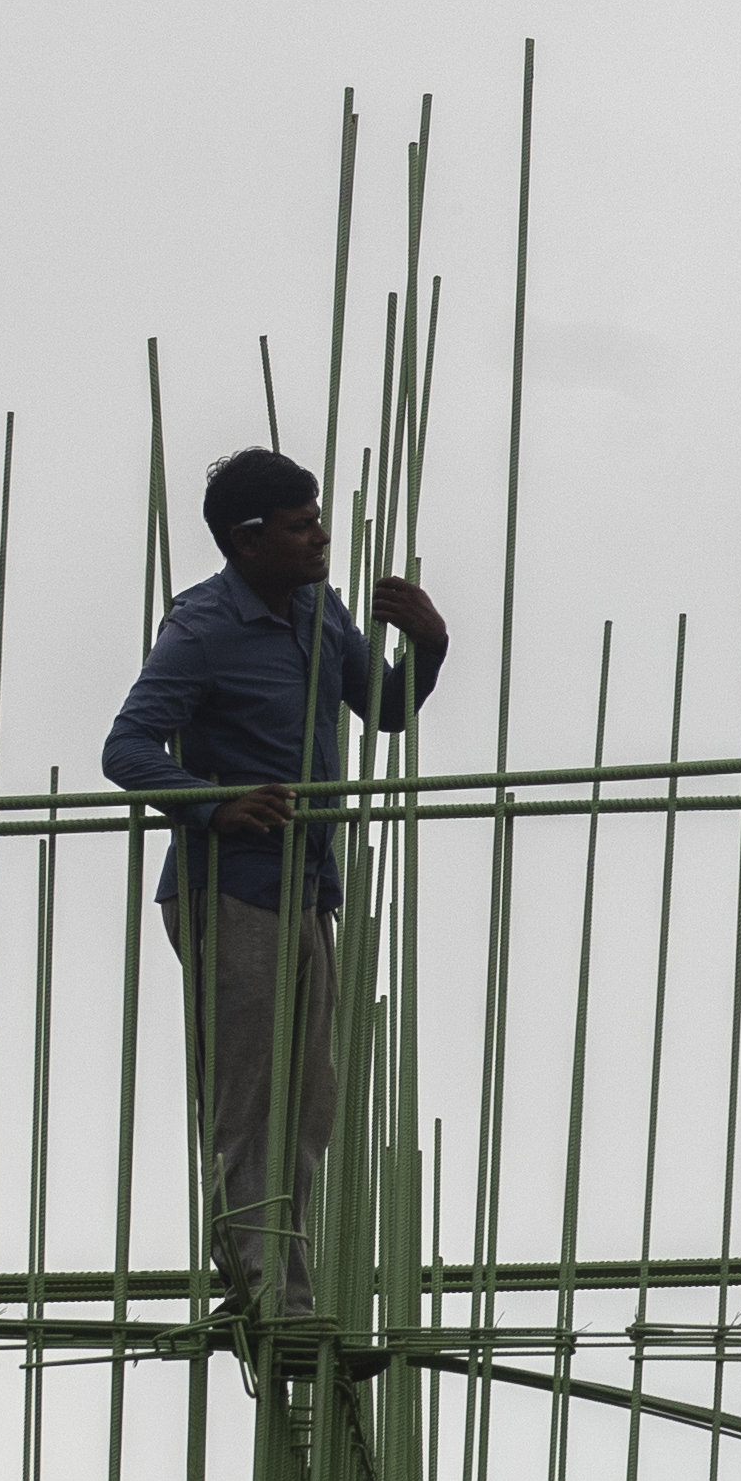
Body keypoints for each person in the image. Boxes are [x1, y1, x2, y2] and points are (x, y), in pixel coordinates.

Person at [102, 447, 447, 1323]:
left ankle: (266, 1282)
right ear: (248, 541)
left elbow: (389, 707)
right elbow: (128, 749)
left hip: (307, 886)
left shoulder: (318, 611)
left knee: (308, 1101)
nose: (321, 535)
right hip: (231, 887)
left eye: (316, 515)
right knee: (247, 1098)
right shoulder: (203, 626)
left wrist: (432, 644)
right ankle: (266, 1292)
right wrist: (213, 805)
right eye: (301, 524)